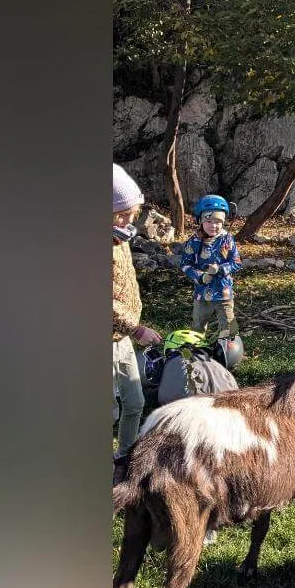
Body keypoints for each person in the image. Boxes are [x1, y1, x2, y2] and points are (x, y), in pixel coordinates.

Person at [113, 164, 162, 474]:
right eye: (121, 215)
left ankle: (124, 460)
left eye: (132, 214)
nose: (129, 221)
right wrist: (137, 328)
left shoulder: (121, 240)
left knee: (134, 403)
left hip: (122, 339)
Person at [179, 194, 242, 338]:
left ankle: (228, 351)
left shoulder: (227, 239)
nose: (213, 225)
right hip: (202, 294)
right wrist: (200, 276)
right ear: (200, 220)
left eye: (218, 221)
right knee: (197, 327)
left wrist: (220, 269)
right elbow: (185, 264)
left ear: (224, 221)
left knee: (229, 326)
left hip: (224, 293)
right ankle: (197, 352)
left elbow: (237, 263)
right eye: (208, 221)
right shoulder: (194, 241)